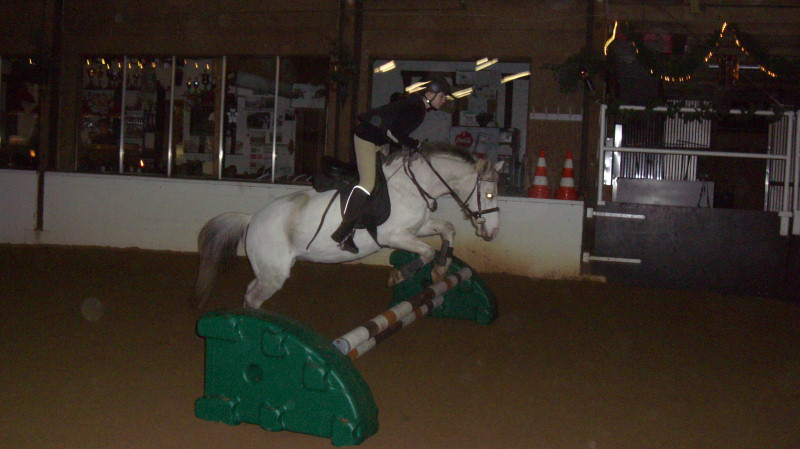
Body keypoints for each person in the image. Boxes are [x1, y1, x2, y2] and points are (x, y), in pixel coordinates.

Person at [331, 75, 453, 253]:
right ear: (430, 93)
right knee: (368, 184)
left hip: (377, 141)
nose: (443, 101)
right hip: (366, 139)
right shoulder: (417, 109)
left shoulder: (417, 106)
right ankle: (343, 233)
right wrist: (415, 144)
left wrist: (413, 144)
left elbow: (396, 133)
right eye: (442, 96)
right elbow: (394, 133)